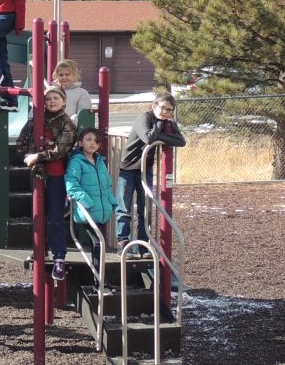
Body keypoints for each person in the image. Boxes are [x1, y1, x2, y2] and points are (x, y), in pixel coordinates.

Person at [15, 86, 78, 281]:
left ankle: (59, 256)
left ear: (64, 102)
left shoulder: (66, 123)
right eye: (48, 98)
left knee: (55, 216)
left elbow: (61, 149)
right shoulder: (36, 121)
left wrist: (38, 156)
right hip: (38, 174)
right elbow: (21, 143)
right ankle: (39, 249)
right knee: (37, 214)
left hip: (57, 175)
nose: (52, 102)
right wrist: (29, 157)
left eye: (56, 98)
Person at [117, 94, 187, 255]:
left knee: (145, 207)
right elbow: (148, 138)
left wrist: (164, 130)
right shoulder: (144, 117)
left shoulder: (165, 122)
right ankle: (123, 244)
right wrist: (161, 129)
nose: (165, 112)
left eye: (169, 110)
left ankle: (143, 245)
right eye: (162, 108)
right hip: (128, 167)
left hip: (145, 168)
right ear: (154, 106)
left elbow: (181, 141)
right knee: (124, 208)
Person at [65, 128, 118, 273]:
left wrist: (111, 201)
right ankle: (99, 281)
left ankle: (100, 279)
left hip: (101, 210)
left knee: (100, 243)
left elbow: (107, 184)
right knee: (98, 242)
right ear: (80, 143)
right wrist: (87, 202)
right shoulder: (77, 161)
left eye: (96, 141)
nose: (92, 143)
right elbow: (72, 185)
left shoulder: (99, 161)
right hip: (87, 210)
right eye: (88, 140)